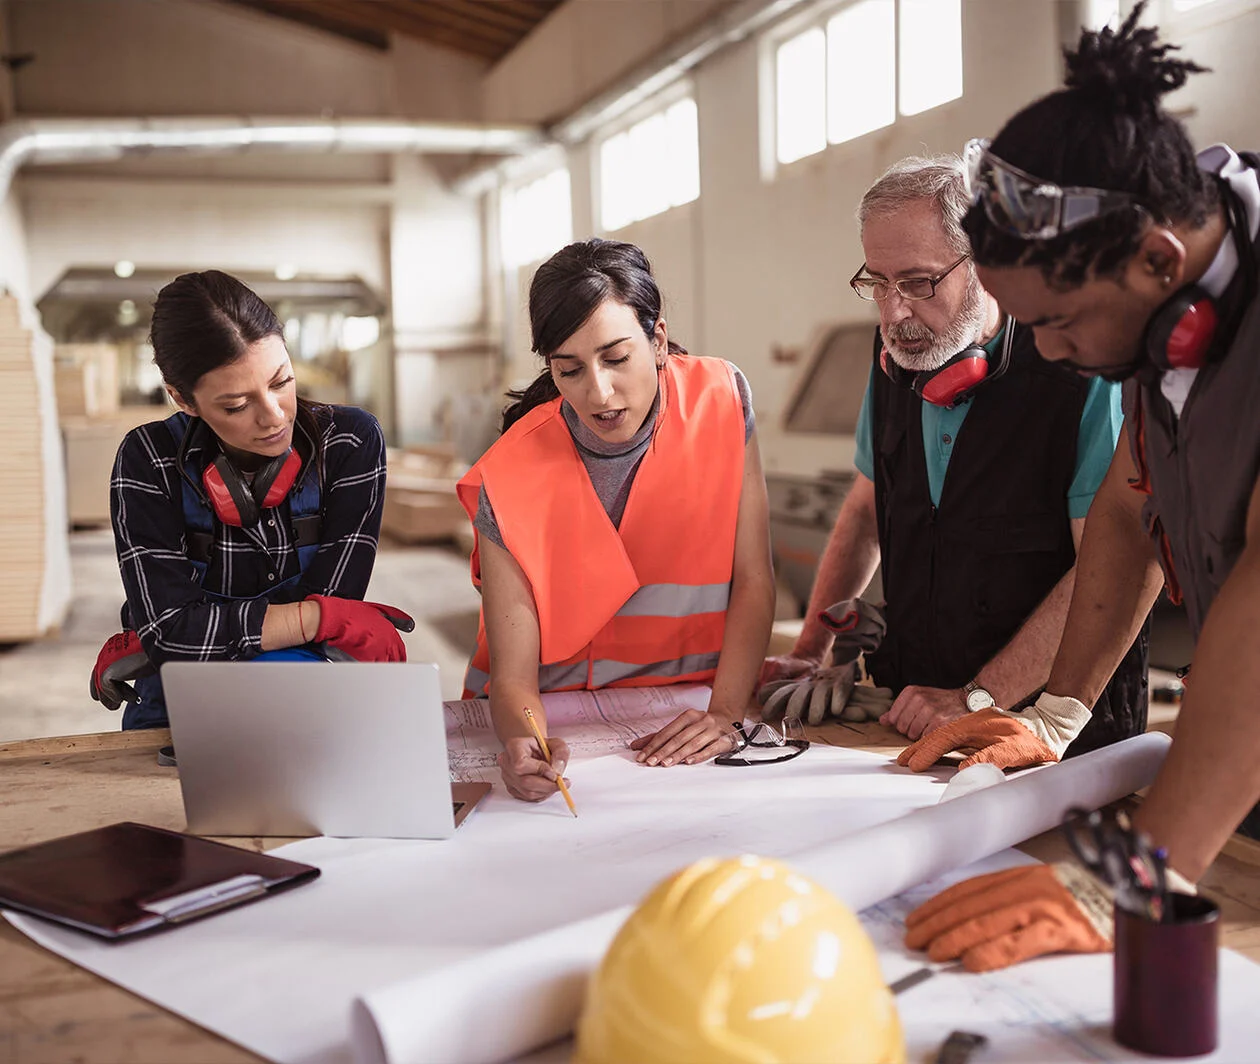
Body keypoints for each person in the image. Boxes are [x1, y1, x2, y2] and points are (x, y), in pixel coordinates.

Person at [898, 5, 1260, 971]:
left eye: (1057, 323)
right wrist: (1053, 716)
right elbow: (1133, 498)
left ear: (1157, 260)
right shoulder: (1172, 313)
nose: (1048, 352)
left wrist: (1128, 879)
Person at [762, 156, 1148, 755]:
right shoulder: (895, 355)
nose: (893, 312)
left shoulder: (1079, 369)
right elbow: (867, 511)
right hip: (918, 716)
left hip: (1052, 735)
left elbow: (1108, 566)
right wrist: (808, 650)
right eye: (877, 282)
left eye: (918, 283)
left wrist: (978, 696)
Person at [456, 239, 775, 803]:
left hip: (686, 713)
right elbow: (511, 676)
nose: (598, 393)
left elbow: (753, 577)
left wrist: (725, 713)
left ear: (656, 340)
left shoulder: (722, 400)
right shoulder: (509, 473)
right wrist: (525, 743)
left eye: (616, 358)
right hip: (556, 720)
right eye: (569, 369)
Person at [90, 270, 412, 730]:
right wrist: (315, 618)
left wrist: (191, 632)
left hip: (295, 676)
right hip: (180, 692)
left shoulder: (350, 444)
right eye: (237, 406)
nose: (275, 417)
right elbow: (171, 637)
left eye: (281, 381)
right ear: (183, 398)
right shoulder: (149, 459)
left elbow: (332, 601)